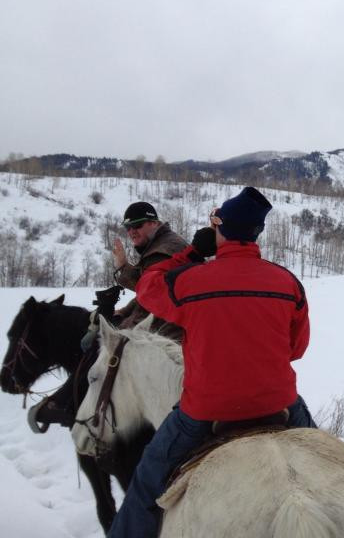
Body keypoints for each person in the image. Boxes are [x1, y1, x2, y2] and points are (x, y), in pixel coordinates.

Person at [106, 187, 316, 538]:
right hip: (279, 403)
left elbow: (147, 287)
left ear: (220, 230)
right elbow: (296, 348)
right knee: (320, 458)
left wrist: (191, 252)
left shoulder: (190, 281)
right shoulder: (288, 283)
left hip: (205, 411)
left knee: (147, 481)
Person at [110, 202, 188, 335]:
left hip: (169, 336)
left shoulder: (161, 253)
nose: (132, 231)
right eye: (128, 227)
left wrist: (119, 331)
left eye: (137, 225)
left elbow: (151, 300)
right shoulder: (163, 243)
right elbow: (146, 294)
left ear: (154, 223)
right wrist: (123, 312)